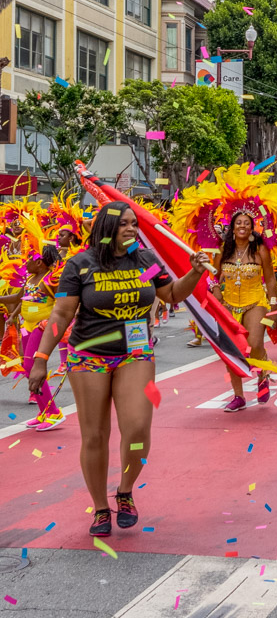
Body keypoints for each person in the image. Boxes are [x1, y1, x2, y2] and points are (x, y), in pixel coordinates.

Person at [28, 202, 209, 537]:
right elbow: (61, 315)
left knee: (138, 427)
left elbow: (170, 295)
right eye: (125, 224)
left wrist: (195, 272)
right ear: (107, 228)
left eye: (134, 224)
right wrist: (41, 359)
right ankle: (100, 508)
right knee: (95, 435)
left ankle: (124, 491)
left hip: (136, 352)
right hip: (88, 356)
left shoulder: (145, 261)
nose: (132, 229)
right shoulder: (80, 264)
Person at [212, 211, 276, 411]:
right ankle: (238, 396)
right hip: (228, 305)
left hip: (255, 301)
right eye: (238, 222)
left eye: (246, 223)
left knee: (255, 344)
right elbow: (213, 276)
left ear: (252, 228)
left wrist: (273, 307)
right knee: (232, 350)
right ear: (232, 228)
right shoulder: (223, 250)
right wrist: (216, 292)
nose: (242, 226)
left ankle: (262, 374)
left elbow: (271, 279)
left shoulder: (260, 251)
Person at [0, 244, 65, 430]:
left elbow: (63, 303)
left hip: (42, 327)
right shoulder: (30, 278)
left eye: (28, 259)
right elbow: (18, 299)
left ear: (39, 262)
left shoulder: (51, 280)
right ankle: (44, 411)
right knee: (28, 368)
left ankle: (53, 413)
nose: (24, 263)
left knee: (31, 365)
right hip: (27, 327)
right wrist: (13, 315)